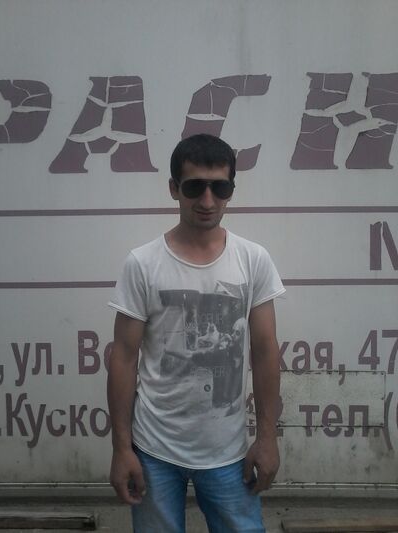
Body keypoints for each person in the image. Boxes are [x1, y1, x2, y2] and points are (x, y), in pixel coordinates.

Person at [107, 133, 286, 533]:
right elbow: (123, 358)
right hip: (154, 450)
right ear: (174, 188)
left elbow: (265, 351)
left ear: (231, 190)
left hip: (228, 452)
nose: (207, 200)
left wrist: (267, 438)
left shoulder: (253, 259)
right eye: (194, 187)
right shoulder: (143, 264)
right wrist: (121, 448)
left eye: (220, 188)